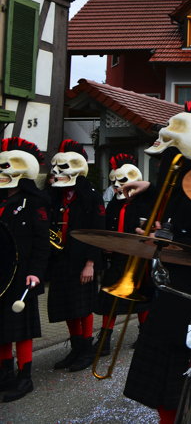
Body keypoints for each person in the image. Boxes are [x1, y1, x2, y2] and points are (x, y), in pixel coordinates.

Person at [122, 100, 191, 424]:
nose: (163, 165)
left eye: (170, 158)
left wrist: (165, 242)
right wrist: (150, 191)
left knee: (180, 388)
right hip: (172, 293)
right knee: (166, 390)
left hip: (190, 302)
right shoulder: (183, 182)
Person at [47, 139, 105, 373]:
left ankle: (87, 350)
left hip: (83, 261)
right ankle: (76, 347)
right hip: (62, 260)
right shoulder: (55, 195)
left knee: (83, 307)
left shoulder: (91, 195)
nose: (57, 173)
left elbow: (97, 232)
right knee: (67, 306)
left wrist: (90, 264)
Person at [0, 138, 50, 402]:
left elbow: (42, 242)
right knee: (2, 328)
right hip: (1, 276)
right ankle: (5, 375)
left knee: (21, 329)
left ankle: (24, 377)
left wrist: (36, 272)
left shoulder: (34, 202)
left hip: (23, 276)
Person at [92, 154, 152, 357]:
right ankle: (105, 338)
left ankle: (145, 335)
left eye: (122, 182)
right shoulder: (114, 204)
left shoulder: (145, 204)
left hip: (139, 259)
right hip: (116, 258)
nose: (117, 186)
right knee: (109, 296)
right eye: (114, 183)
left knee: (143, 298)